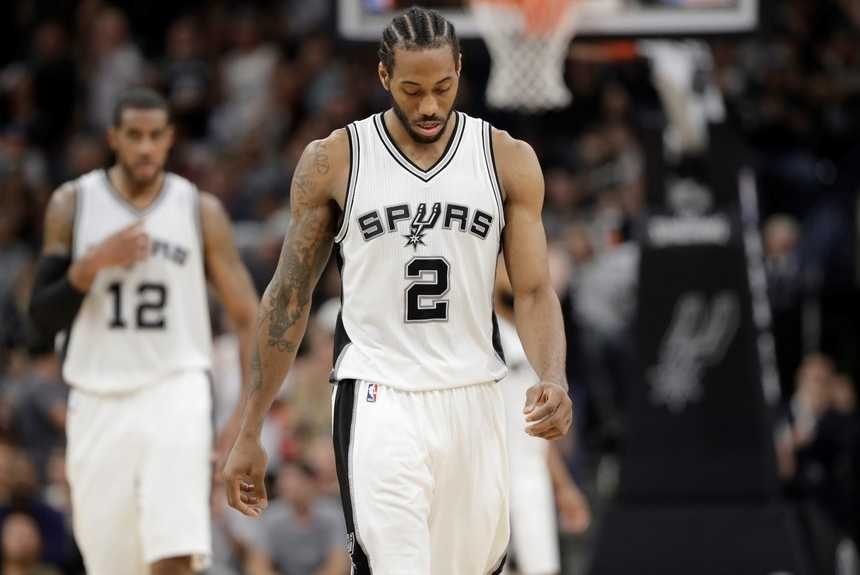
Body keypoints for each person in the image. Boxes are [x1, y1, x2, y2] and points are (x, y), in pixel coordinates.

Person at [224, 6, 573, 574]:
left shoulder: (507, 160)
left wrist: (552, 375)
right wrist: (250, 427)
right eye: (412, 90)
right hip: (378, 392)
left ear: (460, 70)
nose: (430, 105)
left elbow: (533, 292)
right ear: (384, 76)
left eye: (443, 87)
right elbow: (287, 297)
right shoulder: (335, 160)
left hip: (473, 391)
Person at [28, 88, 258, 575]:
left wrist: (244, 413)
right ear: (114, 138)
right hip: (97, 397)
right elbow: (41, 319)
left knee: (174, 551)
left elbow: (247, 316)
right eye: (134, 136)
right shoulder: (73, 204)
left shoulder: (199, 210)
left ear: (170, 139)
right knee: (111, 562)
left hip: (175, 390)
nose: (145, 147)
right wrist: (90, 265)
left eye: (155, 136)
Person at [495, 260, 590, 575]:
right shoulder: (483, 333)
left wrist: (563, 486)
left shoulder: (533, 338)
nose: (513, 271)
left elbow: (534, 427)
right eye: (505, 264)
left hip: (531, 475)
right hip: (491, 478)